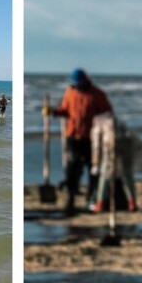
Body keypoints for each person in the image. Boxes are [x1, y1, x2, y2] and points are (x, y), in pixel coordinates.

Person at [45, 68, 113, 213]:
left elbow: (107, 114)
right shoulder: (70, 93)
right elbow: (65, 110)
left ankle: (92, 197)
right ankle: (71, 198)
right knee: (73, 168)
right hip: (73, 136)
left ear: (85, 82)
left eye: (78, 84)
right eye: (74, 84)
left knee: (93, 169)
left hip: (93, 139)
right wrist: (53, 111)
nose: (76, 87)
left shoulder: (97, 94)